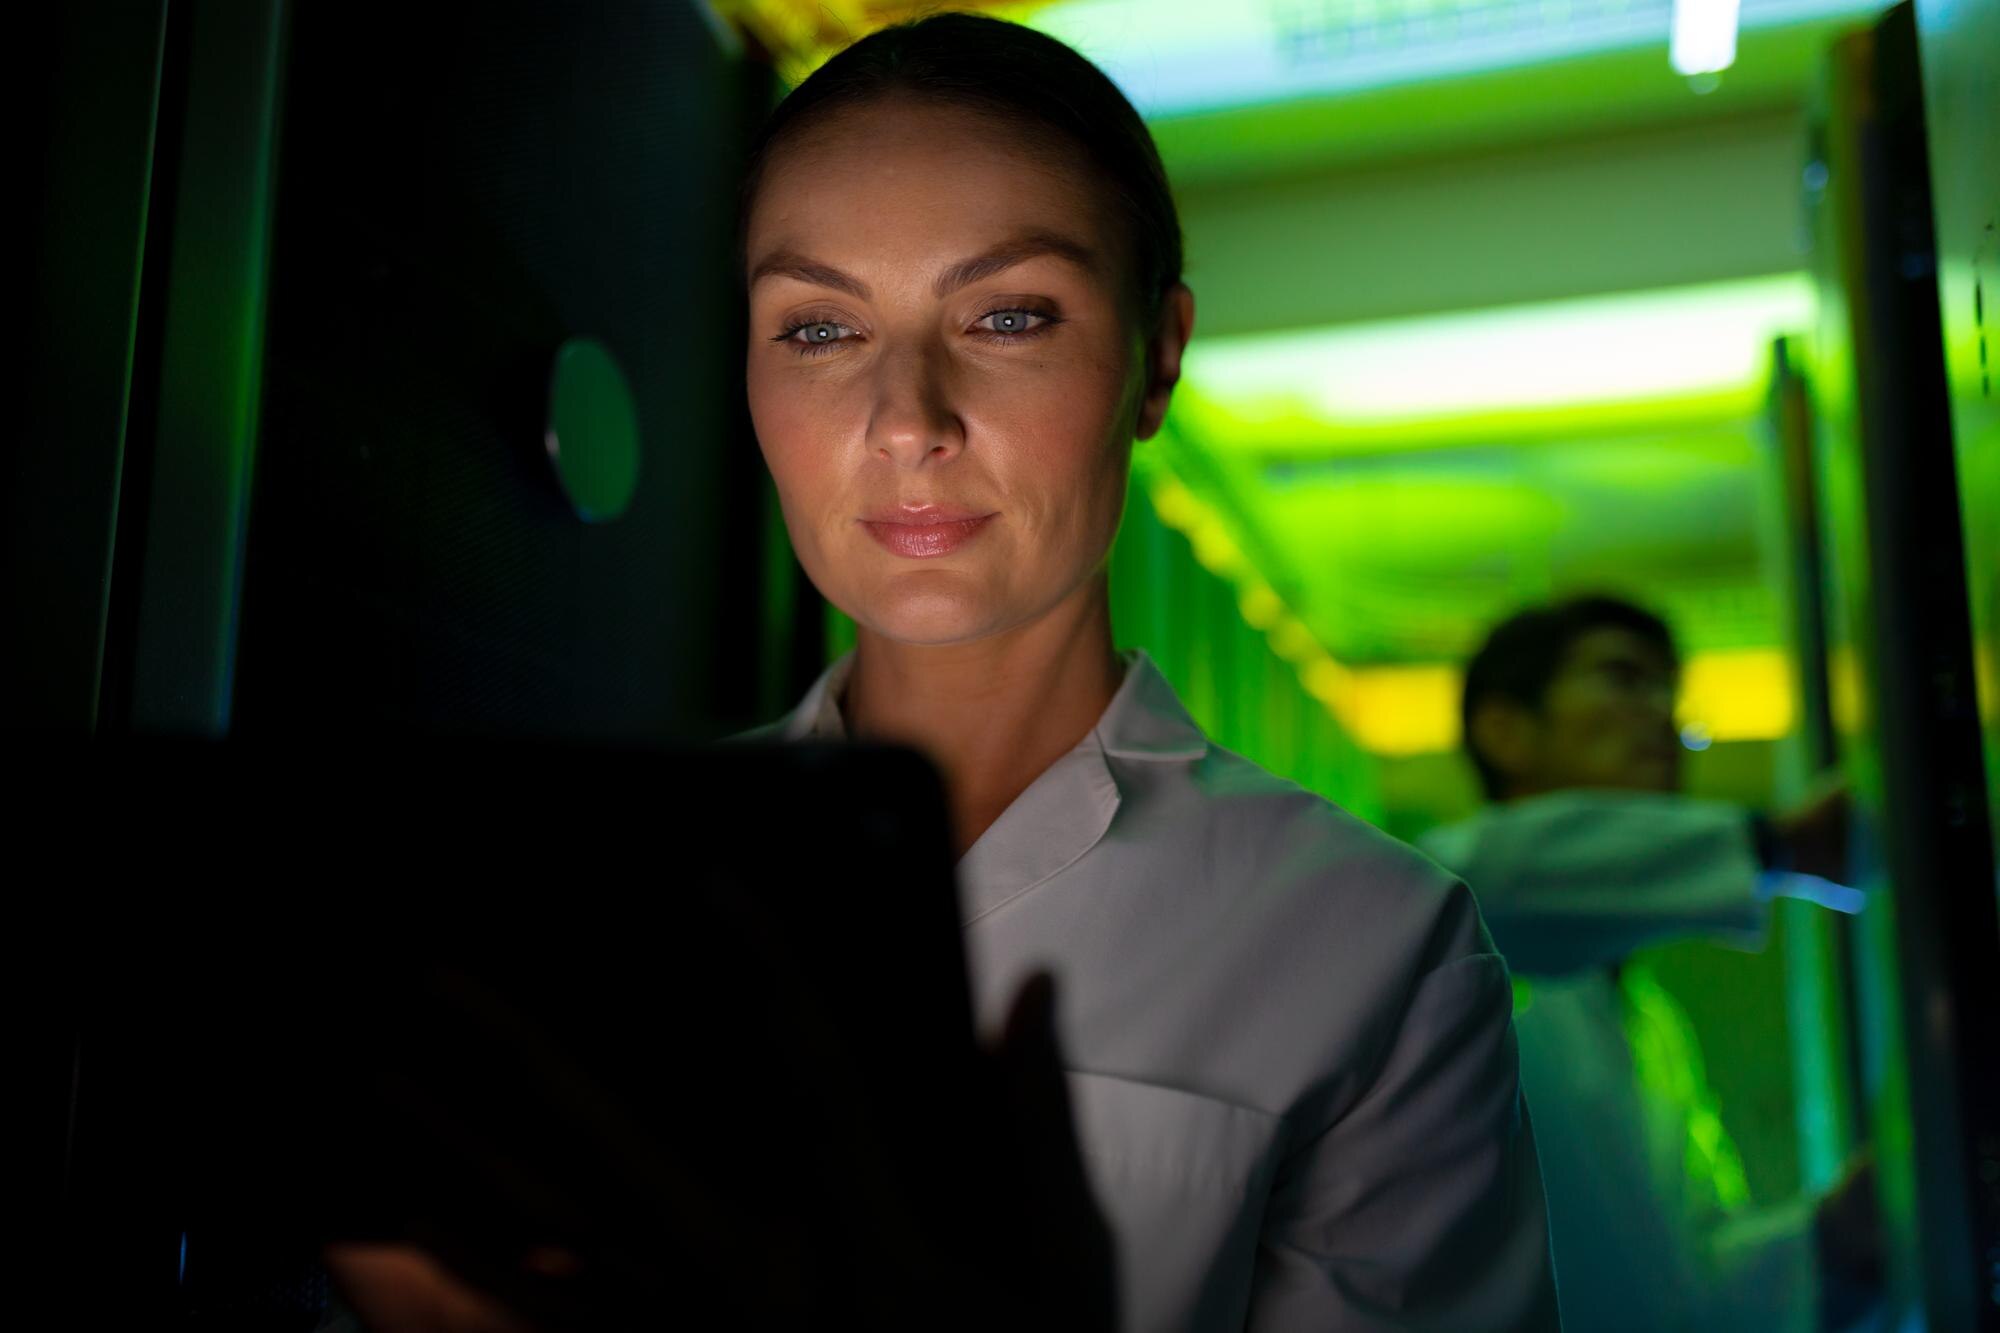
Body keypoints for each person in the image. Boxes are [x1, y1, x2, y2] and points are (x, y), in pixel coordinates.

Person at [328, 14, 1561, 1331]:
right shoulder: (584, 899)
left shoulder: (1366, 947)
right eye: (818, 329)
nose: (907, 419)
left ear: (1156, 352)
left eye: (1008, 316)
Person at [1416, 595, 1880, 1333]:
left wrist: (1844, 1232)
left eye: (1669, 691)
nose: (1662, 715)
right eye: (1622, 679)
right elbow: (1490, 880)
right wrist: (1784, 847)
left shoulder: (1656, 1029)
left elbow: (1691, 1292)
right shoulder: (1430, 914)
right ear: (1504, 729)